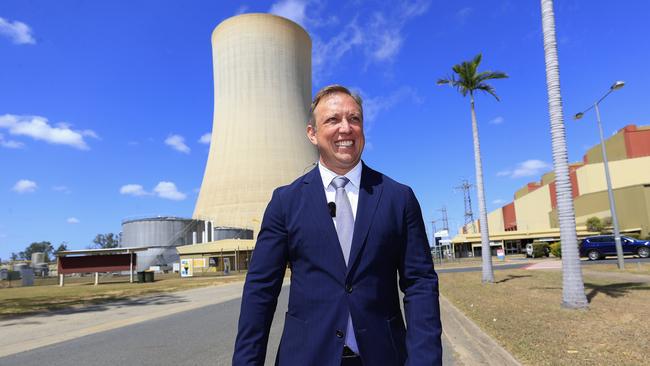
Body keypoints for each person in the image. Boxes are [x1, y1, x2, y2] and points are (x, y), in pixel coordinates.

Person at [233, 85, 442, 366]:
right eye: (332, 120)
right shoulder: (286, 202)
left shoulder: (398, 198)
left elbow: (420, 284)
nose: (346, 128)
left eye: (354, 119)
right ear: (312, 133)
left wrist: (425, 361)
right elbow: (260, 291)